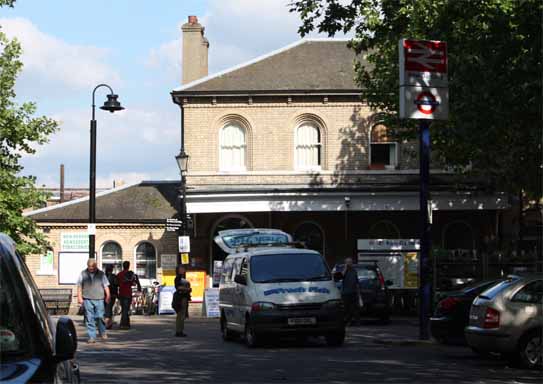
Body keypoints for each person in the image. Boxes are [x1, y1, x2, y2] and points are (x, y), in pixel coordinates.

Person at [77, 259, 111, 343]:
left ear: (96, 266)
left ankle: (102, 331)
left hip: (99, 298)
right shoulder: (83, 274)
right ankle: (91, 337)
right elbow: (79, 286)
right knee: (89, 318)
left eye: (93, 267)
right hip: (87, 298)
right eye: (89, 267)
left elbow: (106, 286)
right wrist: (79, 297)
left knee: (100, 316)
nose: (91, 268)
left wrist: (108, 296)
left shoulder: (101, 274)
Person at [117, 261, 141, 330]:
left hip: (121, 293)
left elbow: (117, 283)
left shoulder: (119, 274)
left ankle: (126, 323)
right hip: (128, 293)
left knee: (124, 308)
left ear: (123, 266)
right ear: (128, 266)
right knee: (126, 309)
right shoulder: (131, 274)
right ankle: (124, 324)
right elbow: (134, 283)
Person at [339, 257, 361, 326]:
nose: (349, 263)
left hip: (353, 292)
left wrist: (358, 293)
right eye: (347, 262)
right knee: (346, 308)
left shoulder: (354, 271)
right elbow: (341, 277)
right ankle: (347, 321)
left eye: (350, 262)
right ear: (345, 263)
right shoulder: (343, 270)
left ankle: (356, 321)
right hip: (345, 293)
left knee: (354, 308)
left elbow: (356, 282)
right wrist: (345, 268)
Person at [172, 265, 191, 337]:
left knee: (182, 315)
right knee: (180, 315)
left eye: (183, 268)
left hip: (184, 297)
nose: (183, 270)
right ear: (178, 270)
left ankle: (180, 330)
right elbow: (178, 287)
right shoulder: (178, 278)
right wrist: (187, 289)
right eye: (181, 269)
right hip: (180, 298)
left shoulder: (183, 277)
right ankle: (179, 331)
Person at [104, 265, 119, 329]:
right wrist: (116, 294)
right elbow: (117, 285)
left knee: (106, 308)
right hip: (112, 295)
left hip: (104, 295)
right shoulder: (114, 276)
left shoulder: (103, 276)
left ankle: (107, 323)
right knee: (109, 308)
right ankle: (108, 323)